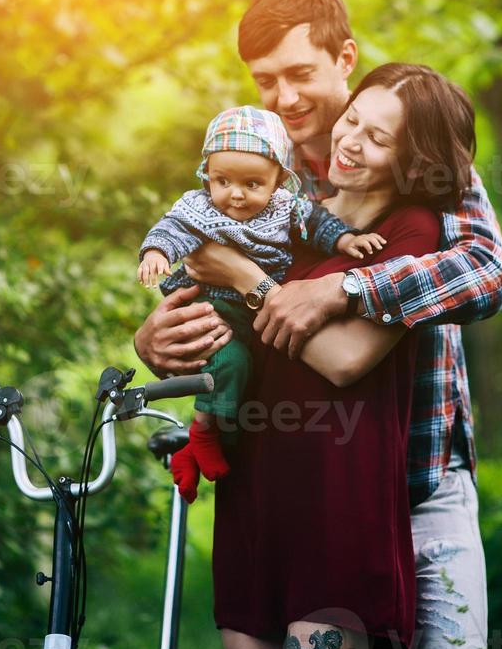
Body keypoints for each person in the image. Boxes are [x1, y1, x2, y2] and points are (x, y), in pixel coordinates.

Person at [134, 0, 502, 649]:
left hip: (416, 476)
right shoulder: (256, 170)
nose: (284, 98)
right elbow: (202, 271)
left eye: (300, 74)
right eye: (266, 80)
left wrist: (342, 286)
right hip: (283, 482)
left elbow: (486, 272)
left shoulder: (416, 159)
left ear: (344, 57)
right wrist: (153, 337)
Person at [189, 61, 474, 649]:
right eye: (352, 120)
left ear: (413, 161)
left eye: (378, 138)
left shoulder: (411, 231)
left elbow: (346, 360)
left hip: (337, 508)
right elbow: (209, 312)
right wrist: (154, 333)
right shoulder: (285, 211)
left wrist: (243, 275)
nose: (349, 140)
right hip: (254, 496)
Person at [137, 104, 384, 500]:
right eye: (222, 180)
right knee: (231, 362)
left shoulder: (285, 209)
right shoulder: (200, 208)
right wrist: (156, 253)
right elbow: (171, 230)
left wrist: (346, 240)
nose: (235, 194)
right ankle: (201, 436)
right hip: (211, 309)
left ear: (277, 181)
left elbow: (317, 225)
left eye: (252, 184)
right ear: (207, 175)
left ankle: (207, 447)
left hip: (252, 308)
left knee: (254, 376)